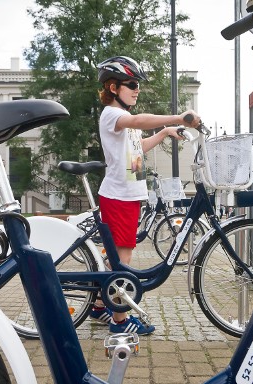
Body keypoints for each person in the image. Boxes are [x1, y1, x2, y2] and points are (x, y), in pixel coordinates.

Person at [90, 56, 201, 336]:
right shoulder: (113, 115)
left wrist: (163, 132)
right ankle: (119, 322)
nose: (137, 89)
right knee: (121, 262)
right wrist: (178, 117)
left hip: (127, 196)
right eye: (131, 84)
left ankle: (101, 306)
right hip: (118, 197)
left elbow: (138, 149)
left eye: (137, 85)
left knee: (116, 257)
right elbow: (138, 120)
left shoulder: (124, 122)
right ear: (113, 87)